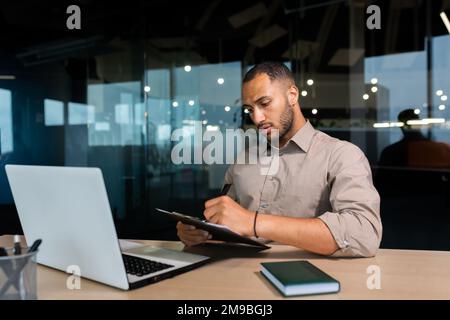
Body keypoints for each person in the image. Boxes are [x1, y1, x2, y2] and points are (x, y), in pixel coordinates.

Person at [177, 62, 382, 257]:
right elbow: (227, 224)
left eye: (264, 103)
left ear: (292, 95)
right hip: (240, 277)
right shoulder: (243, 160)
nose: (257, 118)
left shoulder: (342, 155)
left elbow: (364, 235)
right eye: (250, 109)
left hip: (310, 281)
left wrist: (254, 223)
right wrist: (202, 232)